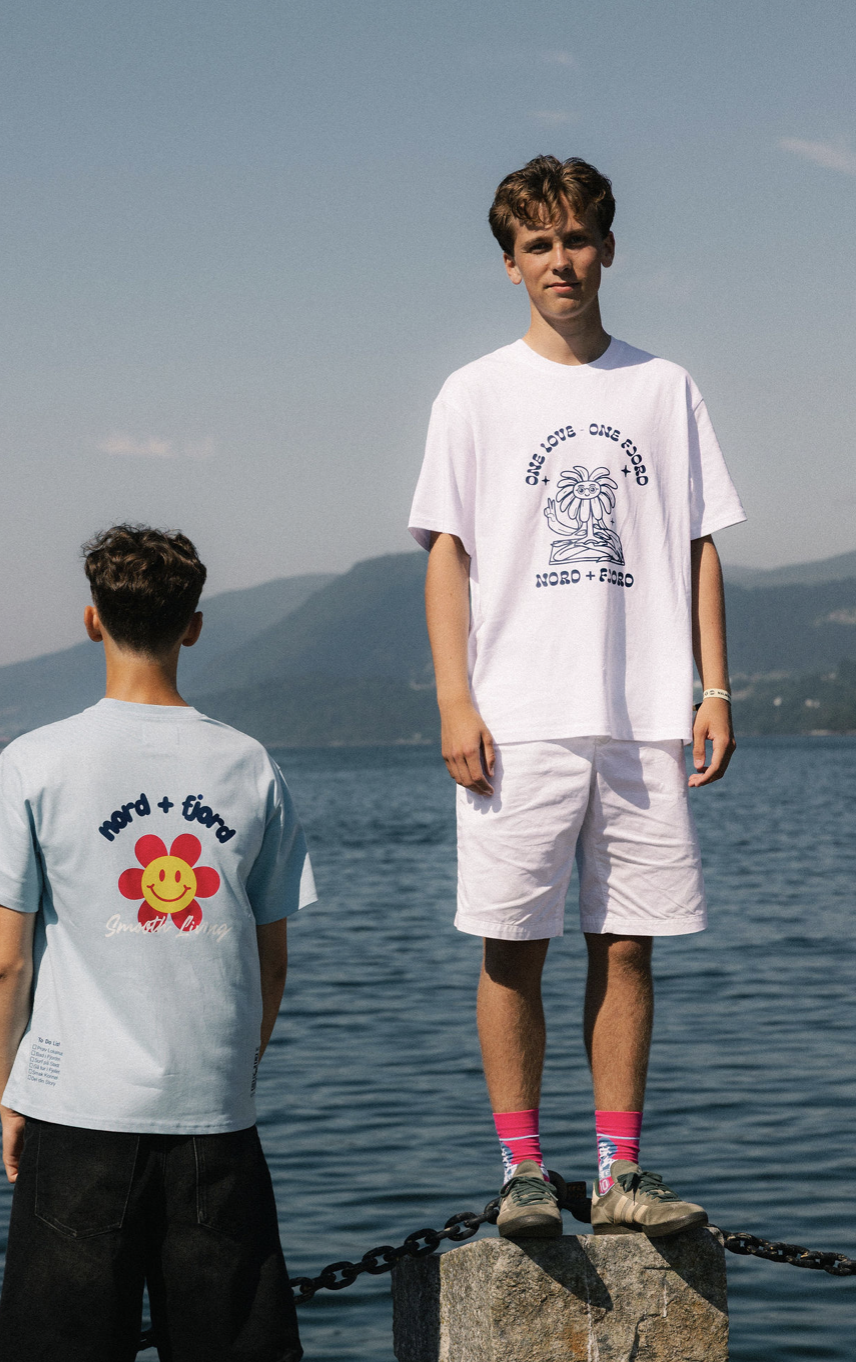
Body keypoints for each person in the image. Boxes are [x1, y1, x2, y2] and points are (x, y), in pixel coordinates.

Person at [408, 156, 745, 1240]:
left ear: (607, 248)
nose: (561, 261)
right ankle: (521, 1170)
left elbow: (697, 544)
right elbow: (447, 554)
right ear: (510, 265)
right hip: (516, 717)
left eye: (576, 239)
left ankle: (617, 1173)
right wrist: (455, 699)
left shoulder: (664, 387)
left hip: (643, 714)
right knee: (512, 943)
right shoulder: (473, 392)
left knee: (629, 946)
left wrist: (712, 687)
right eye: (538, 245)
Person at [0, 524, 314, 1362]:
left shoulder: (35, 762)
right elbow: (271, 959)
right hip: (215, 1116)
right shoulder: (250, 765)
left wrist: (12, 1095)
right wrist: (237, 1067)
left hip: (74, 1114)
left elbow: (6, 962)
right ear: (194, 626)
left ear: (92, 621)